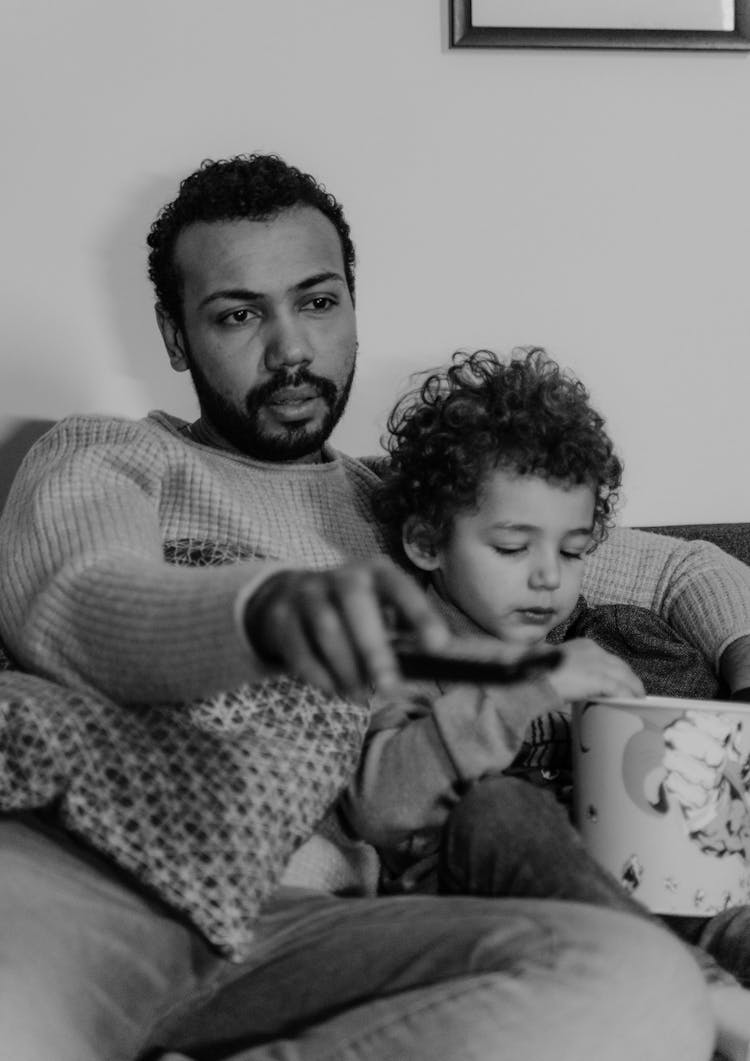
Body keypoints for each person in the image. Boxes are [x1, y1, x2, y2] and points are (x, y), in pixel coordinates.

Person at [0, 153, 733, 1061]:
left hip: (306, 933)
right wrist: (269, 609)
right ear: (175, 335)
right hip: (94, 884)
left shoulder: (418, 505)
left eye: (318, 301)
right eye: (238, 314)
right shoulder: (110, 456)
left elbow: (681, 570)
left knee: (643, 987)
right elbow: (76, 601)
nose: (292, 349)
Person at [340, 345, 750, 1055]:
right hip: (477, 911)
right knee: (498, 807)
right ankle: (703, 993)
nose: (547, 578)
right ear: (427, 542)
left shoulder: (594, 644)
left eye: (572, 549)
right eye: (512, 547)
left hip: (640, 901)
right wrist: (531, 688)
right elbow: (377, 805)